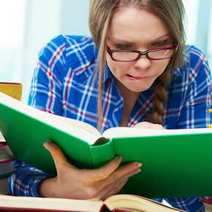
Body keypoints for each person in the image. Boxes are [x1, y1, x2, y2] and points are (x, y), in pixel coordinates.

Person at [9, 0, 212, 211]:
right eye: (124, 47)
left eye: (160, 44)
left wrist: (165, 155)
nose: (143, 64)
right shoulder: (64, 60)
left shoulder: (192, 68)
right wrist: (57, 190)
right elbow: (19, 178)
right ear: (100, 39)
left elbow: (197, 199)